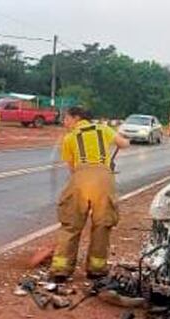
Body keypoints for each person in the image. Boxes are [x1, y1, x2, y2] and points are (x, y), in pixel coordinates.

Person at [50, 106, 131, 282]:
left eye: (66, 119)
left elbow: (71, 168)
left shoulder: (70, 138)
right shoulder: (103, 129)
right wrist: (123, 139)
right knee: (102, 225)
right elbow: (124, 144)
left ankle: (61, 270)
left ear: (76, 118)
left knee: (71, 225)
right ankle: (96, 269)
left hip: (80, 178)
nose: (65, 123)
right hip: (103, 179)